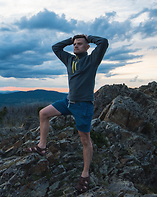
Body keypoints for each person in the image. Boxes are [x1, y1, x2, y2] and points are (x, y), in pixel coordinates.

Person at [24, 34, 109, 193]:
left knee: (85, 140)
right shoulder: (69, 59)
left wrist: (88, 37)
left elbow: (103, 42)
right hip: (68, 101)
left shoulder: (92, 60)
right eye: (74, 44)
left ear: (87, 47)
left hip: (83, 105)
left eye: (79, 44)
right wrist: (70, 40)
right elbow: (55, 48)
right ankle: (42, 146)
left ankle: (85, 174)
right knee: (43, 113)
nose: (76, 46)